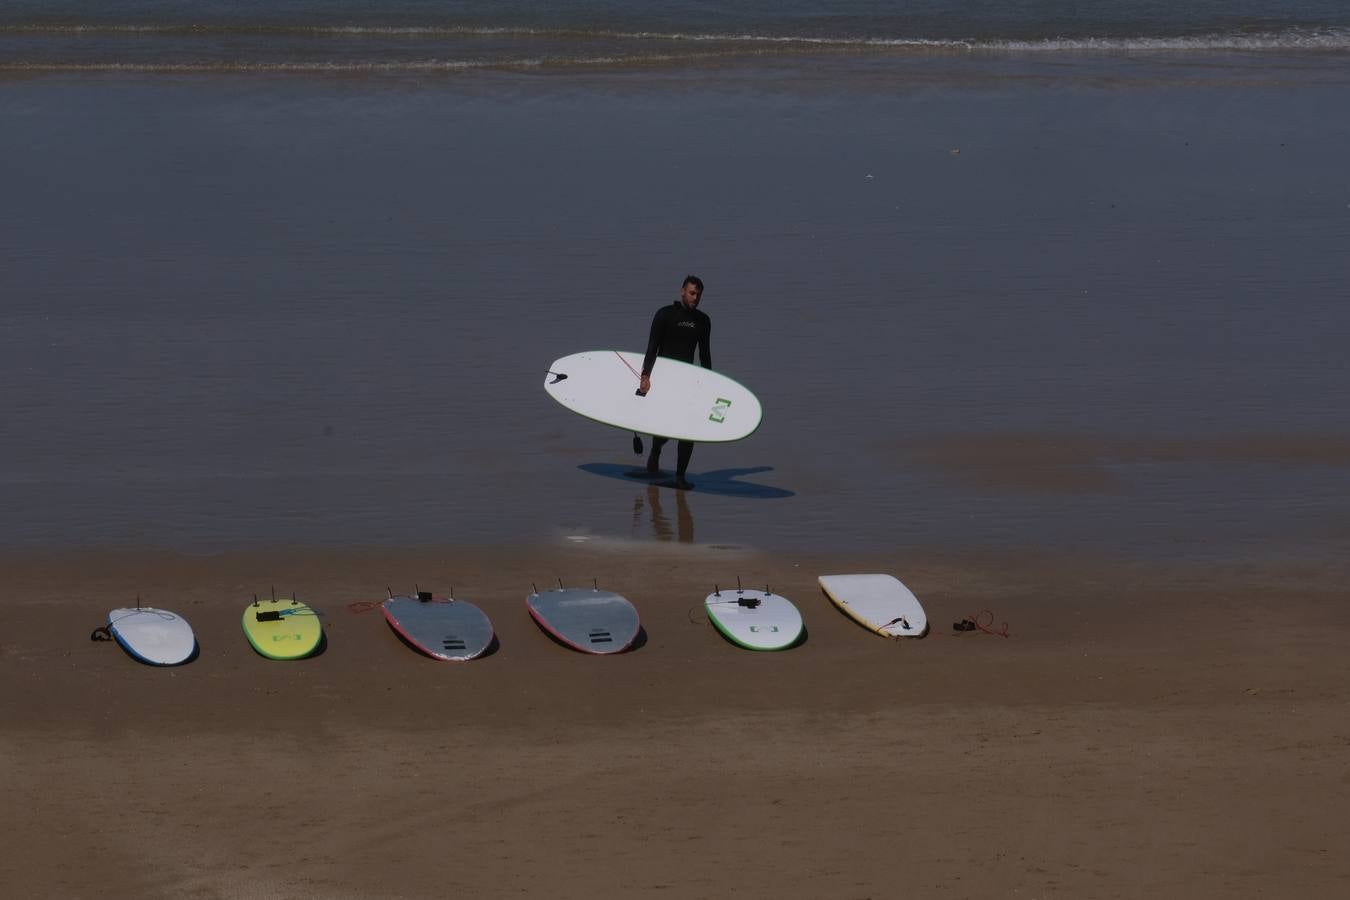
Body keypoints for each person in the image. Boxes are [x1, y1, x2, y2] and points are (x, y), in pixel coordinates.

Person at [638, 275, 711, 490]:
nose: (695, 298)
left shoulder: (703, 321)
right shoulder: (665, 315)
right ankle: (656, 450)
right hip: (664, 377)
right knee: (665, 427)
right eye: (692, 293)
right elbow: (652, 347)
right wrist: (645, 376)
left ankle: (680, 476)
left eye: (698, 294)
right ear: (682, 291)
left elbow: (705, 355)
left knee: (689, 431)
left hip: (688, 380)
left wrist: (710, 384)